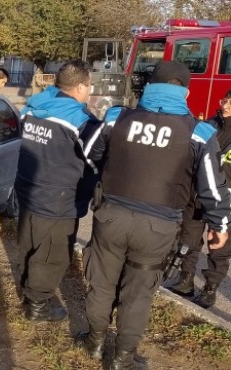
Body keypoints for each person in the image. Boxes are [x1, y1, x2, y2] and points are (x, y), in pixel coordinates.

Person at [77, 61, 231, 369]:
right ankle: (122, 358)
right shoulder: (199, 132)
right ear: (185, 91)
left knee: (103, 282)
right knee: (139, 291)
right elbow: (213, 188)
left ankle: (94, 342)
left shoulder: (117, 116)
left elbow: (90, 154)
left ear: (149, 85)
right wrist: (220, 224)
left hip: (111, 216)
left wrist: (104, 179)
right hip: (158, 226)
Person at [15, 60, 101, 322]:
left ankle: (27, 289)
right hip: (59, 199)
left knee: (28, 243)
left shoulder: (32, 108)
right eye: (89, 86)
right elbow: (96, 160)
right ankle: (37, 304)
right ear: (81, 87)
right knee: (52, 253)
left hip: (28, 189)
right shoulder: (81, 121)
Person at [168, 89, 231, 308]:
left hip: (224, 203)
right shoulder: (210, 126)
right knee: (188, 241)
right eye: (225, 100)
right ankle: (185, 280)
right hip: (195, 196)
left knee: (218, 248)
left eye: (230, 102)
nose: (225, 105)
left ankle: (210, 288)